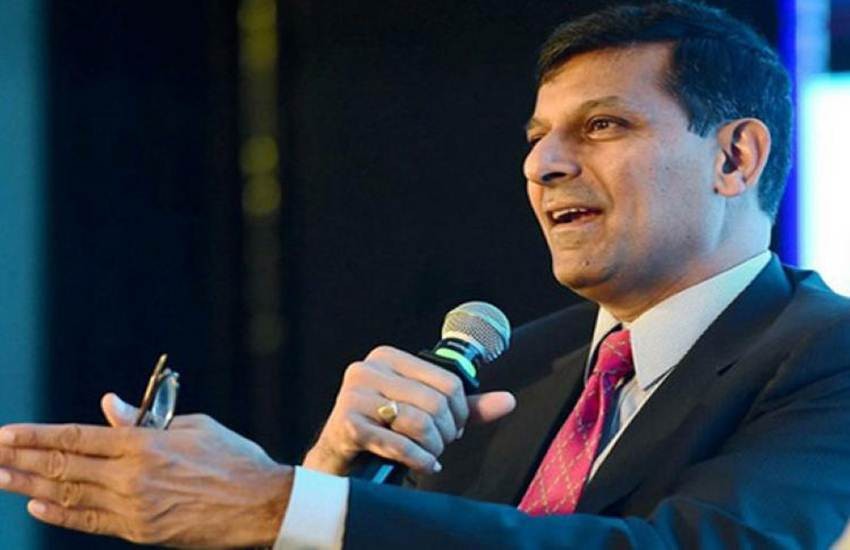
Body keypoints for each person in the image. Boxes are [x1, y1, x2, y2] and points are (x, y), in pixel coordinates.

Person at [2, 0, 850, 547]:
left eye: (602, 126)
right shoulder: (509, 368)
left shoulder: (825, 355)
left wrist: (281, 502)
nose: (543, 165)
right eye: (537, 138)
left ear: (735, 157)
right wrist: (330, 473)